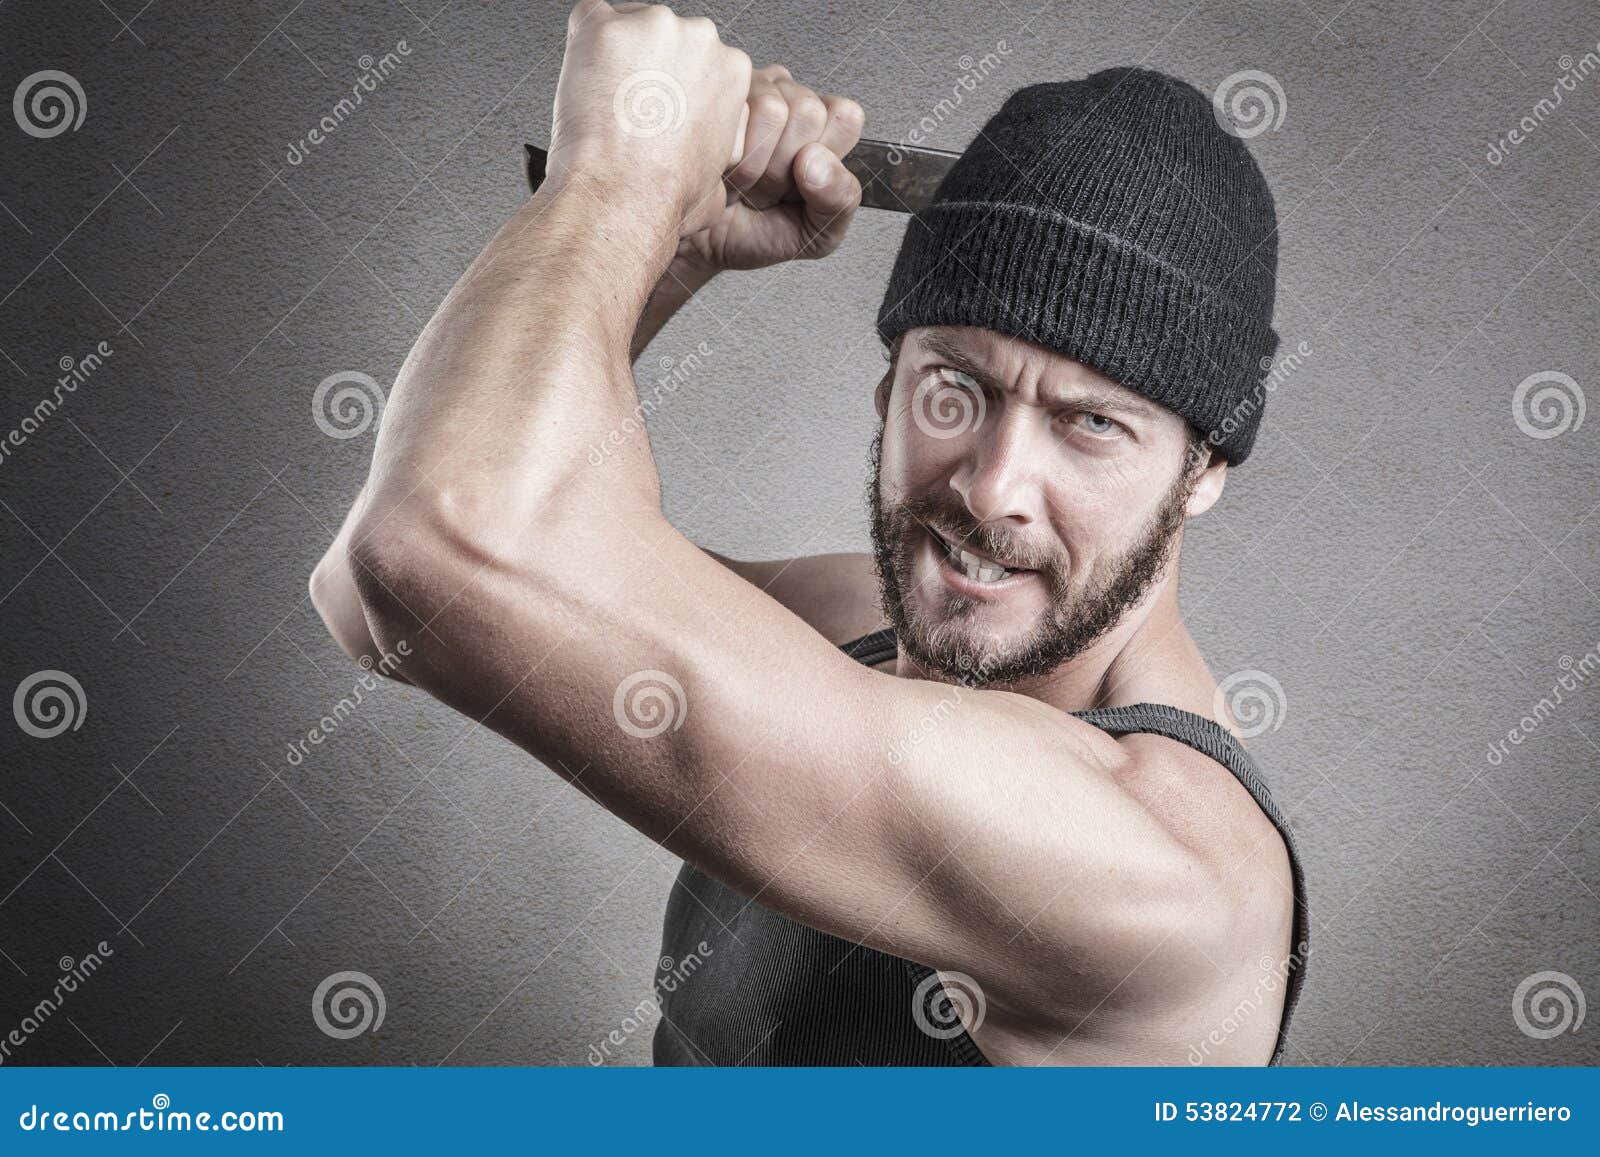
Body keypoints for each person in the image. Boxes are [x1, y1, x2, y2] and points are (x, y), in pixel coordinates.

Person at [310, 0, 1308, 1066]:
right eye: (955, 386)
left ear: (1201, 470)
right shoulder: (855, 624)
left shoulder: (1159, 875)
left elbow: (440, 546)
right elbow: (386, 602)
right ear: (887, 386)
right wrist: (666, 250)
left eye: (1091, 424)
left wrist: (615, 182)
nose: (992, 487)